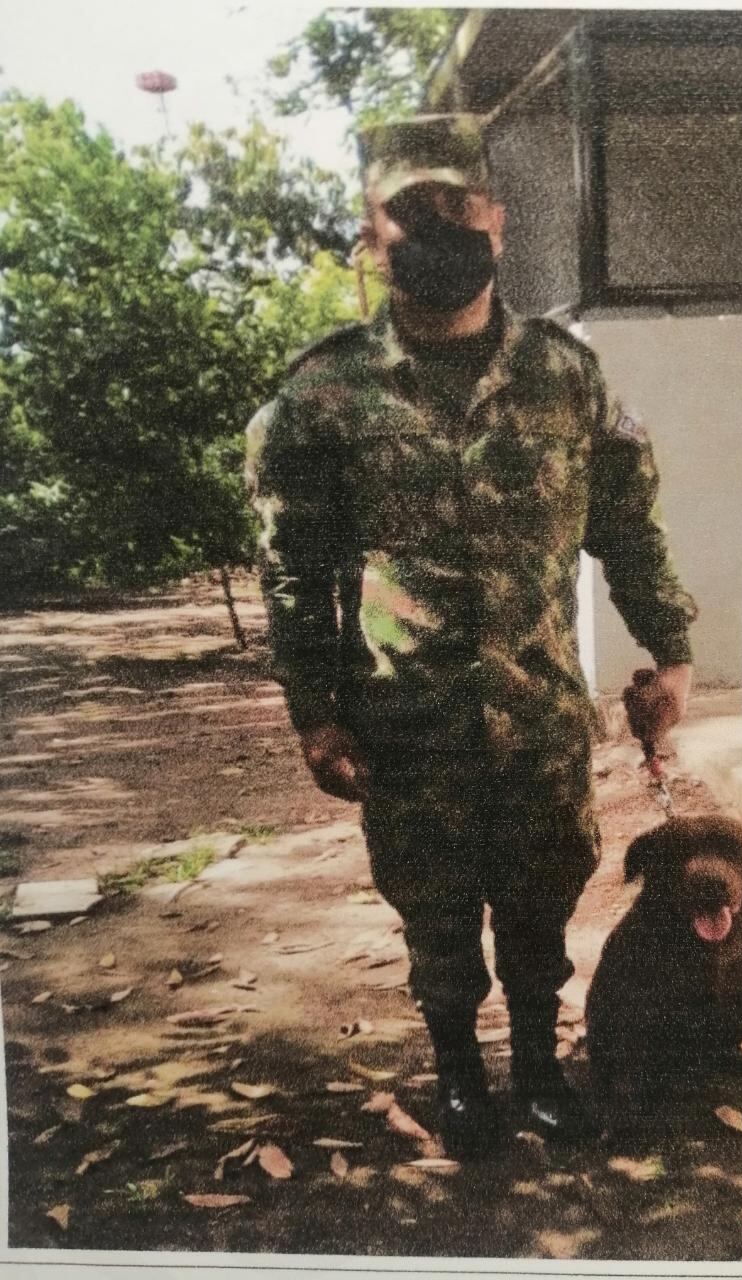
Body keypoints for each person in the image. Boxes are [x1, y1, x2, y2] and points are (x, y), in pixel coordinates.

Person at [245, 114, 697, 1159]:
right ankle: (459, 1079)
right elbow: (294, 575)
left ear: (497, 220)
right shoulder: (320, 397)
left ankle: (537, 1073)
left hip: (538, 717)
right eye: (410, 216)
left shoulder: (567, 377)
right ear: (372, 236)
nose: (438, 232)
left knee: (539, 918)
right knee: (439, 925)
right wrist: (315, 715)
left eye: (458, 208)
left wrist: (670, 651)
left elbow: (627, 528)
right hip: (406, 729)